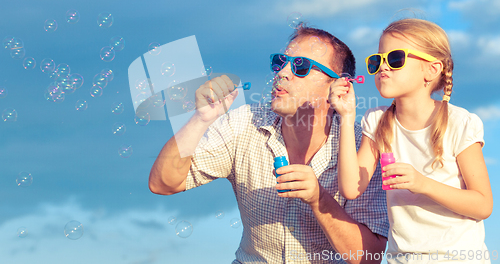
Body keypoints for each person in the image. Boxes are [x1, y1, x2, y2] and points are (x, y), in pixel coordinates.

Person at [149, 25, 389, 264]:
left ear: (340, 86)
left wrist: (320, 200)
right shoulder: (244, 123)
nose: (282, 72)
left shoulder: (361, 146)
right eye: (280, 61)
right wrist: (199, 120)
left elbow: (370, 257)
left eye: (301, 66)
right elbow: (163, 183)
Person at [331, 18, 493, 263]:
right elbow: (351, 188)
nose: (383, 67)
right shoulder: (376, 121)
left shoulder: (460, 123)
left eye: (395, 58)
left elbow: (483, 205)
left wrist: (422, 183)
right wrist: (346, 116)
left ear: (432, 69)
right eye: (377, 61)